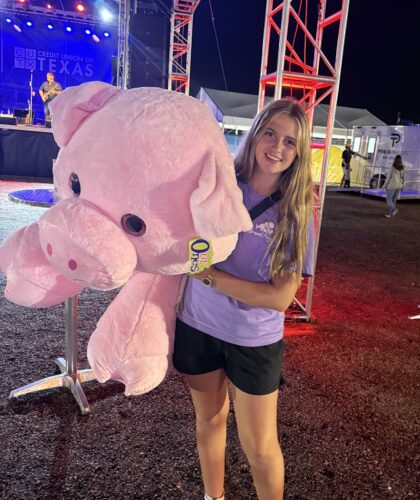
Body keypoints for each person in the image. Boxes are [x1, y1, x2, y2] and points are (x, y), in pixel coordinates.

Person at [174, 98, 315, 500]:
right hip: (197, 324)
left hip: (254, 339)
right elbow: (190, 239)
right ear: (254, 134)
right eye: (270, 133)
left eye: (289, 141)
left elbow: (280, 298)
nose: (277, 147)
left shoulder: (297, 210)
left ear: (299, 152)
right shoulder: (219, 184)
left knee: (259, 446)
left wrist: (211, 277)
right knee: (209, 421)